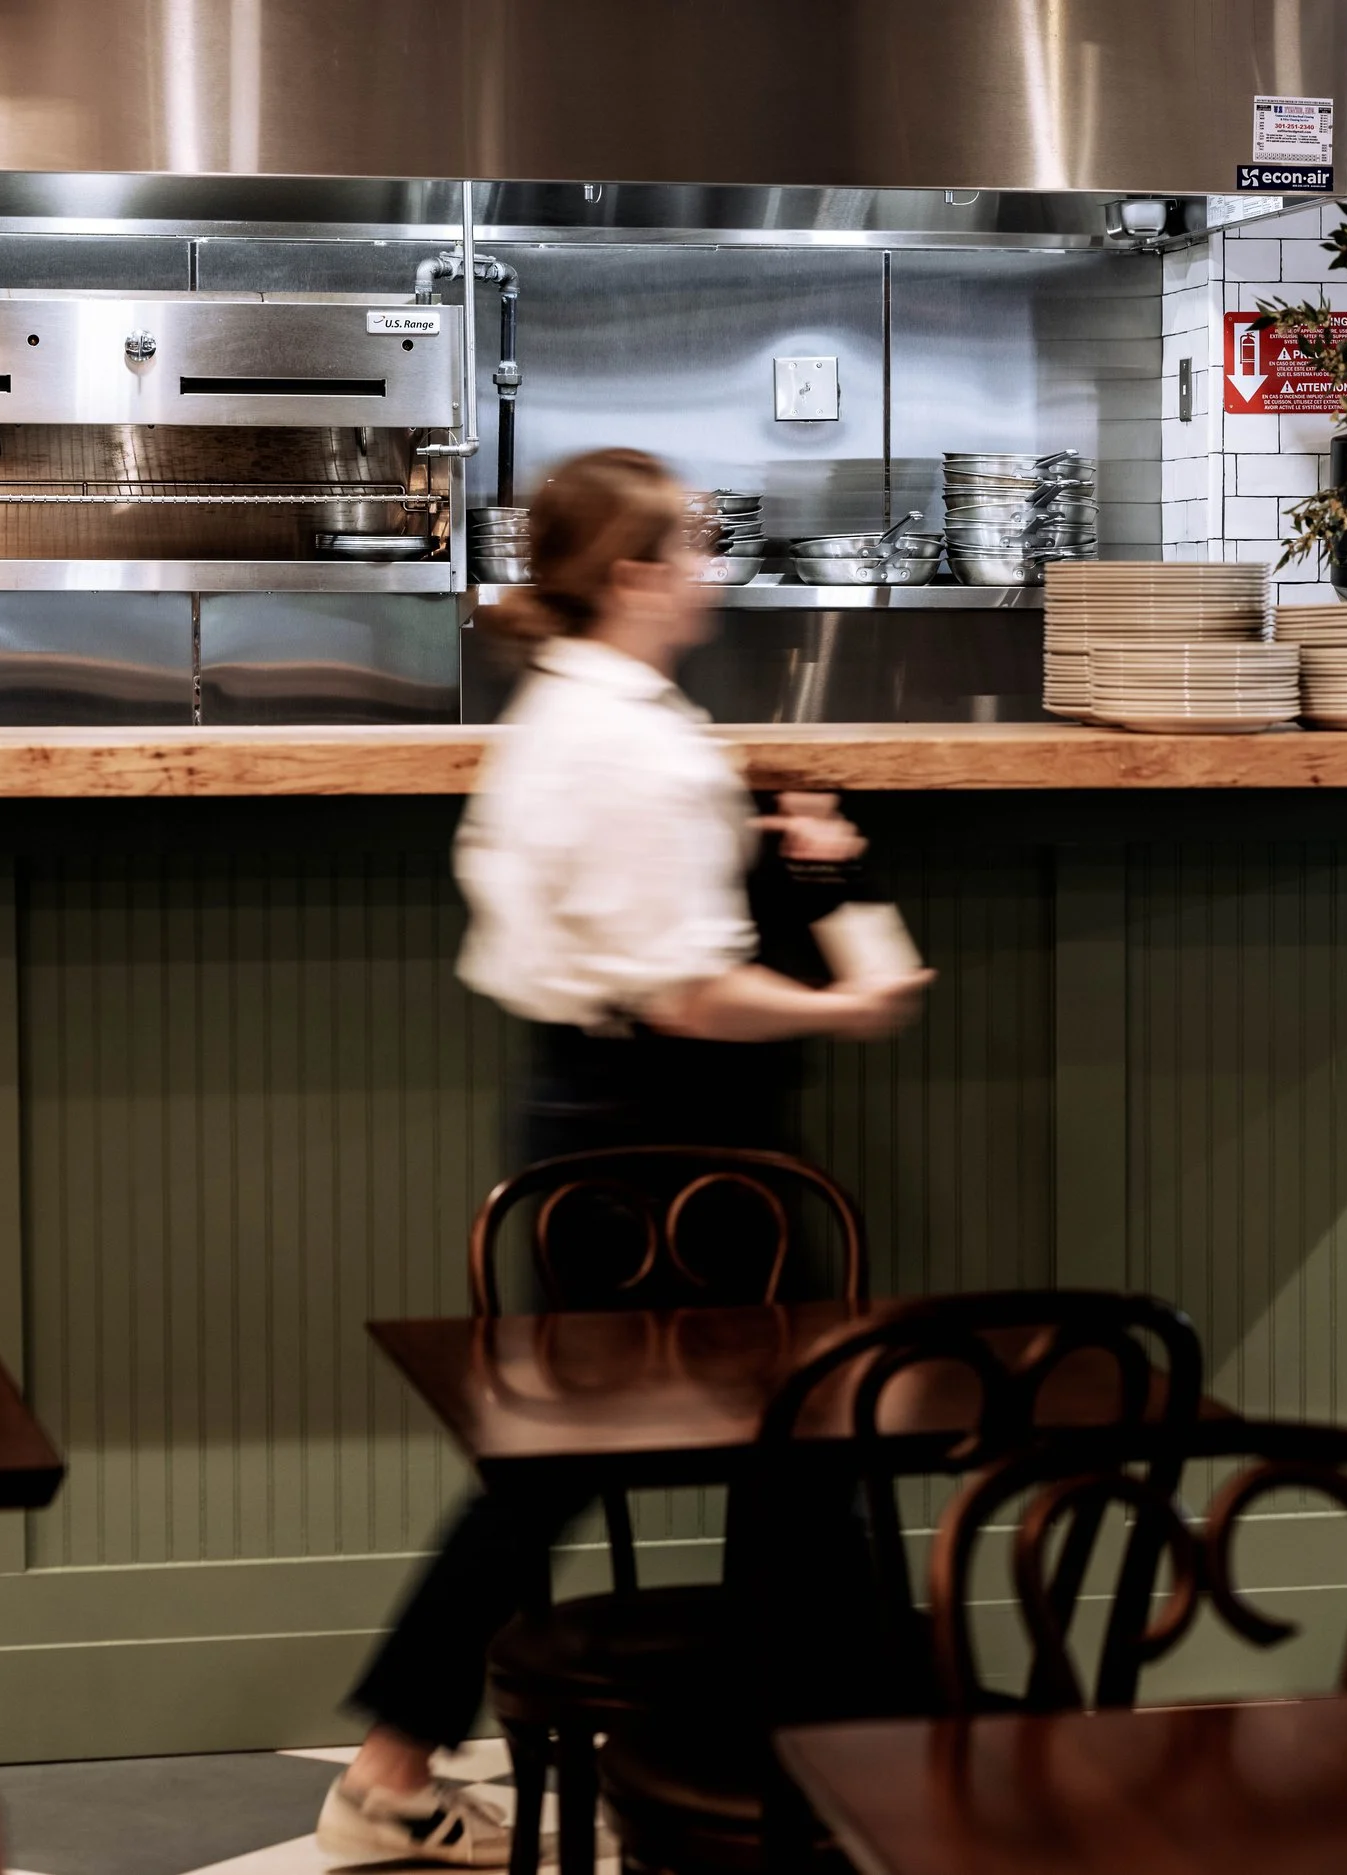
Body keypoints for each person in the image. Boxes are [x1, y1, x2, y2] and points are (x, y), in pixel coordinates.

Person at [315, 448, 931, 1865]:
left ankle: (406, 1769)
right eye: (699, 544)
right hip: (677, 1135)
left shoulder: (569, 712)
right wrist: (846, 997)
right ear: (637, 573)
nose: (715, 563)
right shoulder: (635, 744)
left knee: (578, 1459)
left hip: (592, 1118)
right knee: (797, 1429)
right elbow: (686, 995)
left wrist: (785, 863)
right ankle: (829, 1769)